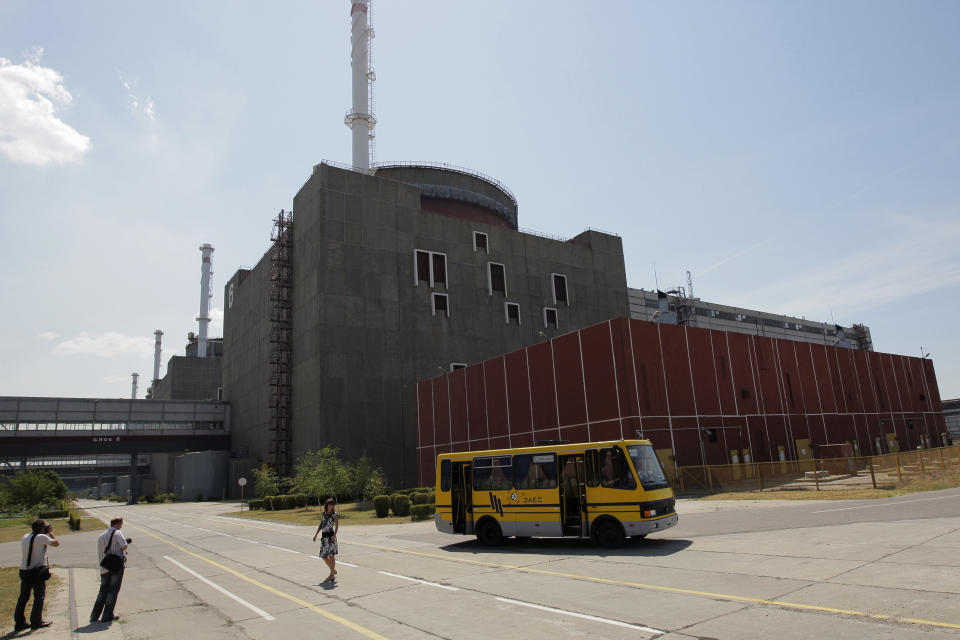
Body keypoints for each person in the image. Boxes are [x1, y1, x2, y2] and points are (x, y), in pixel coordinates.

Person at [14, 519, 59, 631]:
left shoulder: (25, 536)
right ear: (42, 528)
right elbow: (56, 543)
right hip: (36, 571)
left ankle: (19, 623)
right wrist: (50, 532)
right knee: (39, 597)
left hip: (24, 570)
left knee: (23, 598)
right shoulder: (41, 537)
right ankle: (36, 621)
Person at [90, 517, 131, 623]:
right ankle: (107, 615)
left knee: (103, 590)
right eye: (121, 524)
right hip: (115, 566)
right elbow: (123, 546)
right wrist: (126, 542)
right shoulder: (117, 533)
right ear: (117, 524)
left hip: (104, 566)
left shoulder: (102, 535)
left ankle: (94, 615)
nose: (121, 526)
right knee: (113, 590)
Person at [312, 498, 339, 582]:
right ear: (327, 505)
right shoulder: (324, 514)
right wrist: (316, 535)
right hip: (324, 537)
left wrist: (334, 536)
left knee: (331, 555)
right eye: (330, 504)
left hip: (331, 537)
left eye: (333, 504)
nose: (332, 506)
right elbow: (321, 524)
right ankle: (333, 569)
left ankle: (331, 575)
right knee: (323, 556)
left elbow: (337, 526)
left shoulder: (335, 514)